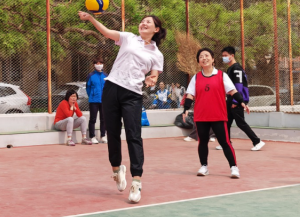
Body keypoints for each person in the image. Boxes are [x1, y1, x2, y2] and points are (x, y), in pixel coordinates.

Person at [78, 11, 165, 203]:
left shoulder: (157, 54)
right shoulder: (128, 38)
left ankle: (136, 181)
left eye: (148, 22)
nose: (143, 23)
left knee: (134, 135)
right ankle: (117, 169)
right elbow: (106, 32)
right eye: (142, 21)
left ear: (156, 29)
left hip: (132, 94)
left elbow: (154, 75)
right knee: (113, 133)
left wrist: (151, 80)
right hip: (111, 89)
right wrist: (91, 18)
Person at [183, 48, 250, 178]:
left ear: (213, 59)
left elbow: (233, 91)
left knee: (225, 142)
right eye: (201, 56)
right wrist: (186, 108)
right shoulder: (196, 77)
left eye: (207, 55)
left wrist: (242, 102)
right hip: (201, 116)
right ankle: (204, 166)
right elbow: (190, 94)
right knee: (202, 142)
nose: (204, 58)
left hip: (218, 115)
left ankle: (234, 167)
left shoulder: (221, 75)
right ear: (198, 61)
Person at [220, 46, 265, 151]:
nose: (223, 58)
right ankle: (226, 143)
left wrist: (236, 101)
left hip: (236, 99)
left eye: (225, 55)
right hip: (231, 98)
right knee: (226, 122)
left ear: (232, 56)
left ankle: (257, 141)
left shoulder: (236, 68)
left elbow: (238, 85)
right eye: (222, 56)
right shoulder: (231, 68)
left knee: (241, 123)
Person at [86, 57, 108, 144]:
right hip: (93, 101)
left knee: (103, 119)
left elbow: (108, 88)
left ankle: (103, 136)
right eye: (97, 64)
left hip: (104, 101)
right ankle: (92, 136)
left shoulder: (106, 76)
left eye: (100, 63)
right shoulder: (90, 75)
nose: (99, 65)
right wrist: (92, 95)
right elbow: (88, 88)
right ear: (94, 65)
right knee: (93, 119)